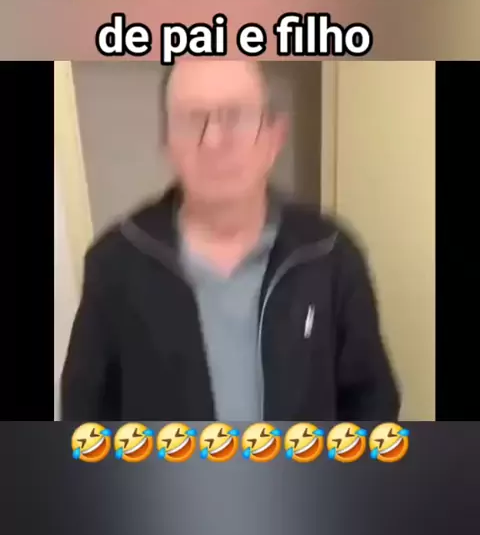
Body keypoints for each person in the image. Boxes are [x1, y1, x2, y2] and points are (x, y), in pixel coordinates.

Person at [61, 59, 400, 421]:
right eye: (192, 119)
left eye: (235, 117)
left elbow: (372, 404)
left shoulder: (330, 256)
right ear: (167, 144)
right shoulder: (115, 265)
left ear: (273, 137)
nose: (213, 140)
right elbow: (85, 417)